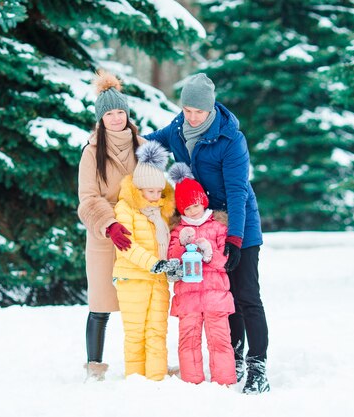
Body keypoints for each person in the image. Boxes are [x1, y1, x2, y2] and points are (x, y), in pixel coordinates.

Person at [145, 73, 270, 394]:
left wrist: (235, 240)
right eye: (187, 109)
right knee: (221, 296)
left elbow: (238, 191)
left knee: (245, 296)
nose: (192, 116)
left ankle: (258, 367)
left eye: (198, 111)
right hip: (200, 221)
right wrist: (115, 138)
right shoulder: (177, 128)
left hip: (239, 223)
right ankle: (235, 356)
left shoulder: (230, 138)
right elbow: (148, 144)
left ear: (211, 108)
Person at [77, 70, 142, 381]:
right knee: (101, 302)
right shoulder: (91, 153)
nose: (116, 119)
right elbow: (88, 199)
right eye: (110, 114)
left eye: (120, 112)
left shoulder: (143, 146)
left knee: (143, 301)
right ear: (100, 119)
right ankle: (94, 367)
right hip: (105, 236)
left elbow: (157, 188)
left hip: (138, 234)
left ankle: (145, 364)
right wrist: (110, 223)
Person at [112, 141, 182, 381]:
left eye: (159, 192)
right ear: (139, 188)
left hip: (159, 281)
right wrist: (153, 264)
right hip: (133, 278)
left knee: (157, 332)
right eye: (150, 192)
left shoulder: (163, 213)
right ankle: (134, 378)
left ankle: (156, 378)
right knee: (135, 333)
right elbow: (126, 246)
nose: (155, 197)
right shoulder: (125, 209)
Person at [167, 162, 237, 386]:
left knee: (220, 340)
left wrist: (209, 251)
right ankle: (191, 381)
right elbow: (172, 261)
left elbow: (225, 262)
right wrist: (181, 245)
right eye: (188, 208)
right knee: (188, 341)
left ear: (203, 202)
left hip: (216, 296)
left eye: (197, 205)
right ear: (181, 210)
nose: (194, 210)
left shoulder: (218, 226)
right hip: (188, 297)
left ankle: (224, 381)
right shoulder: (177, 231)